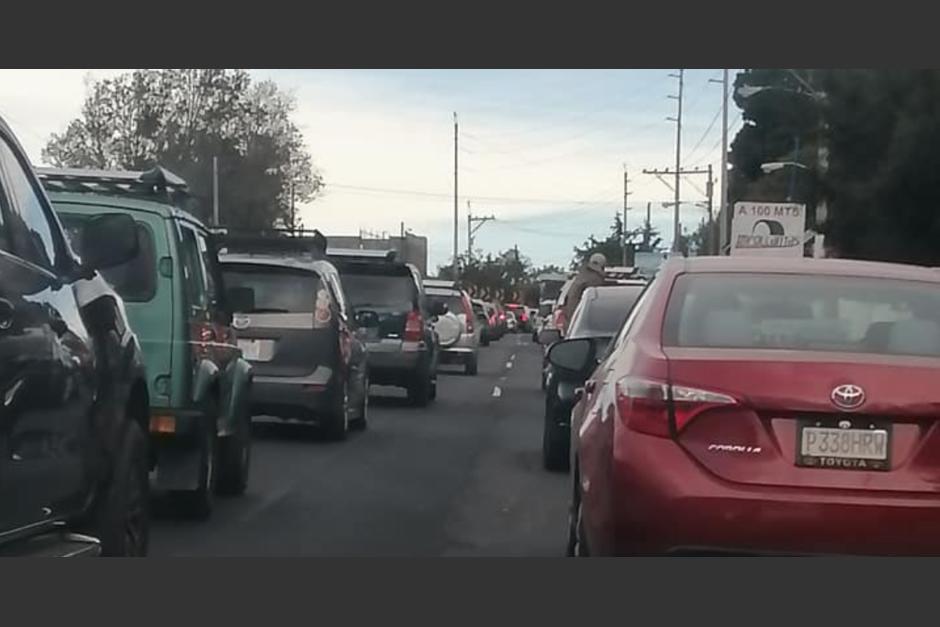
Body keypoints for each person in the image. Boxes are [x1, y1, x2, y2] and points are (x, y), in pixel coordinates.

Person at [562, 253, 607, 327]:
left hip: (572, 314)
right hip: (580, 316)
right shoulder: (594, 278)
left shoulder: (582, 275)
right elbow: (596, 300)